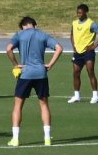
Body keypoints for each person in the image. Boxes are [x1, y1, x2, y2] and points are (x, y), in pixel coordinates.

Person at [6, 16, 63, 146]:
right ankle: (47, 138)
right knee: (44, 105)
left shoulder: (19, 35)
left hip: (25, 73)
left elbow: (8, 49)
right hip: (41, 73)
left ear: (23, 26)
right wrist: (50, 64)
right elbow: (59, 48)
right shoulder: (42, 34)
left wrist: (16, 64)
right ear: (35, 25)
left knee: (18, 105)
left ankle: (15, 139)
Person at [68, 4, 98, 104]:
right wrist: (74, 46)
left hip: (88, 53)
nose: (78, 14)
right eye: (77, 12)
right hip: (77, 53)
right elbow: (71, 35)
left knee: (90, 72)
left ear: (85, 13)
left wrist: (94, 46)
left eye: (80, 12)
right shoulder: (74, 23)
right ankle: (76, 96)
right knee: (76, 73)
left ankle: (95, 96)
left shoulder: (91, 24)